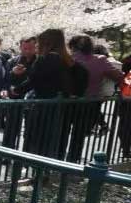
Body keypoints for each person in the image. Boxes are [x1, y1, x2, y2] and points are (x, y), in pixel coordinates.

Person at [12, 29, 82, 158]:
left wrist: (16, 90)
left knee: (39, 141)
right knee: (54, 141)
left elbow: (34, 80)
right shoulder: (68, 60)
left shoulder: (46, 58)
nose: (37, 45)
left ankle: (36, 167)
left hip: (44, 106)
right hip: (60, 106)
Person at [66, 35, 123, 162]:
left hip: (67, 101)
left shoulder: (67, 59)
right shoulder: (100, 60)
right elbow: (119, 76)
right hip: (91, 103)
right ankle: (73, 160)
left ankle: (55, 161)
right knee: (79, 135)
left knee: (62, 132)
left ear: (72, 46)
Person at [2, 37, 37, 149]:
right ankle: (7, 152)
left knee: (31, 130)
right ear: (20, 47)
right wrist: (13, 73)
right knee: (11, 128)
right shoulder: (12, 61)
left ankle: (27, 154)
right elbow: (5, 80)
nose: (27, 51)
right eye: (25, 48)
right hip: (15, 99)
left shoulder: (40, 61)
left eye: (31, 48)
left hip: (33, 101)